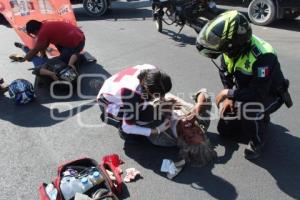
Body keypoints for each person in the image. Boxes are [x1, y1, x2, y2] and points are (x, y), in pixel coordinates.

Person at [195, 10, 292, 160]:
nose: (224, 53)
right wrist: (230, 97)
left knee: (250, 110)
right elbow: (225, 73)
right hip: (247, 89)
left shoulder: (263, 56)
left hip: (270, 94)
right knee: (225, 130)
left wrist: (229, 94)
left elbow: (258, 93)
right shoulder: (231, 50)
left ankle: (258, 139)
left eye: (226, 49)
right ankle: (252, 121)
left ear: (235, 43)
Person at [97, 64, 173, 143]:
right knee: (136, 133)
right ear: (147, 89)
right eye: (158, 95)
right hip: (107, 103)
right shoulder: (132, 96)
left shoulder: (153, 71)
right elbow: (127, 127)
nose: (162, 97)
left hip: (114, 87)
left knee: (148, 111)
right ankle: (117, 124)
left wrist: (160, 97)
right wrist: (157, 130)